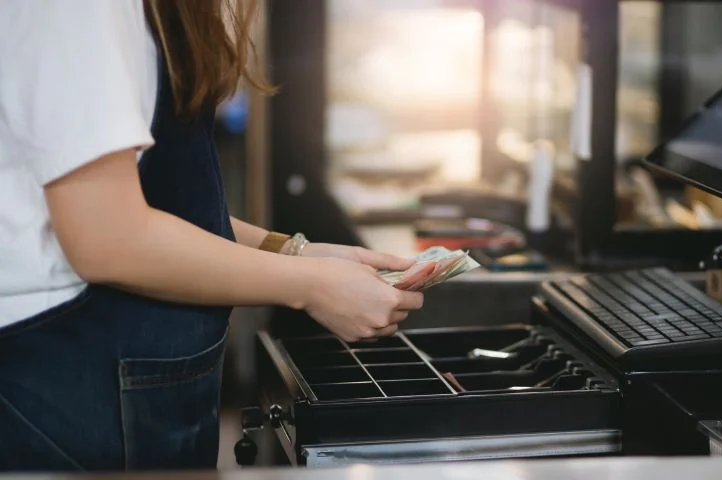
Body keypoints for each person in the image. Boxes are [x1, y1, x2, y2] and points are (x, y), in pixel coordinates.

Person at [0, 0, 430, 472]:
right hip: (69, 380)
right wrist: (312, 285)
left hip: (132, 371)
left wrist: (295, 253)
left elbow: (162, 207)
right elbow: (109, 239)